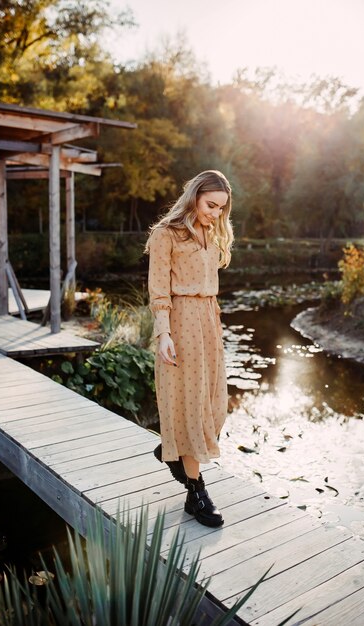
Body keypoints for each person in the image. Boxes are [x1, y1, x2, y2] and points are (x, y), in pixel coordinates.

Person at [144, 170, 233, 528]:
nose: (215, 213)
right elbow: (158, 289)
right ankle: (196, 492)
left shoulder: (212, 233)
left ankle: (174, 453)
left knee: (214, 404)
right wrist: (163, 333)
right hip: (180, 321)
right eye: (211, 205)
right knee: (190, 405)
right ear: (195, 196)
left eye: (221, 208)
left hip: (209, 321)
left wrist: (214, 326)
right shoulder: (166, 234)